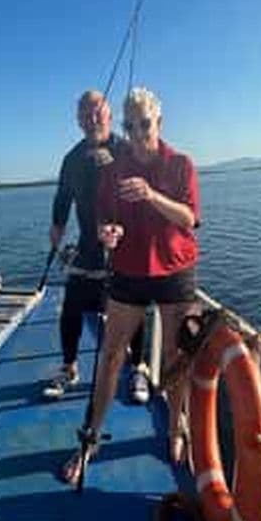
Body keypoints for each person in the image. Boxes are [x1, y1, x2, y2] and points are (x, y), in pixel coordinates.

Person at [62, 86, 200, 485]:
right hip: (128, 271)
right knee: (109, 357)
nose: (138, 132)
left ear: (159, 121)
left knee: (176, 358)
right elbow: (107, 218)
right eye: (131, 125)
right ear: (122, 126)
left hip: (175, 270)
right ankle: (90, 439)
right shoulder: (113, 169)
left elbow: (188, 219)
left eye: (145, 123)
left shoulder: (181, 165)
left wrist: (151, 194)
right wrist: (109, 233)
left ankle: (176, 428)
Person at [44, 90, 147, 400]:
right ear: (78, 120)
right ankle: (69, 367)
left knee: (135, 308)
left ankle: (139, 368)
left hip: (127, 244)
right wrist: (57, 225)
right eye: (85, 114)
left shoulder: (128, 150)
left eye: (97, 112)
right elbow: (63, 197)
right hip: (89, 244)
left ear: (110, 115)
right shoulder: (72, 159)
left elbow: (145, 196)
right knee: (72, 305)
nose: (92, 119)